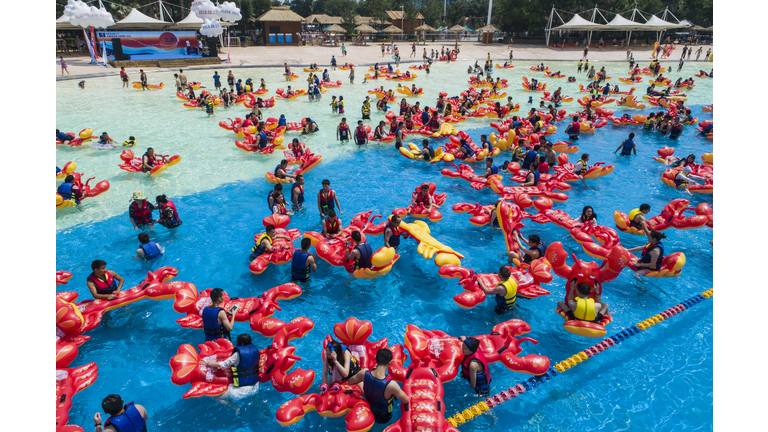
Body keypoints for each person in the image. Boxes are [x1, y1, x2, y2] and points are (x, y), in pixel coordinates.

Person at [346, 348, 409, 425]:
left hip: (367, 412)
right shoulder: (391, 385)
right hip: (384, 417)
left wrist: (362, 381)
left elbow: (350, 382)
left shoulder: (364, 373)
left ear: (376, 359)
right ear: (389, 363)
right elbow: (406, 400)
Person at [200, 333, 261, 399]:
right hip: (256, 386)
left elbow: (222, 364)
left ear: (242, 344)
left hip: (243, 390)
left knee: (218, 397)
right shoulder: (255, 350)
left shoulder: (238, 354)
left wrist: (208, 363)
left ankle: (235, 408)